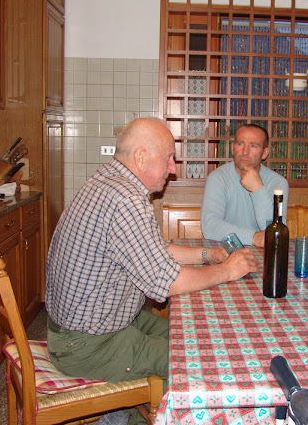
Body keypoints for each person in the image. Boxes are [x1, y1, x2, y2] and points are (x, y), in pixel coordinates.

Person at [45, 117, 258, 424]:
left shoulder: (106, 182)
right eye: (169, 157)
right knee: (197, 365)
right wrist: (227, 270)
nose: (173, 168)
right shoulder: (125, 200)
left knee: (194, 334)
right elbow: (166, 282)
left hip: (96, 325)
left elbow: (152, 251)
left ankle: (125, 412)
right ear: (141, 157)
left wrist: (208, 254)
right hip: (87, 345)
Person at [200, 124, 289, 247]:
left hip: (263, 252)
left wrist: (257, 189)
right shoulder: (218, 178)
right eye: (240, 144)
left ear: (264, 153)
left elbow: (275, 231)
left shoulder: (277, 183)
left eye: (253, 146)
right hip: (225, 250)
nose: (245, 152)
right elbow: (210, 226)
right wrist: (253, 237)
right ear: (233, 148)